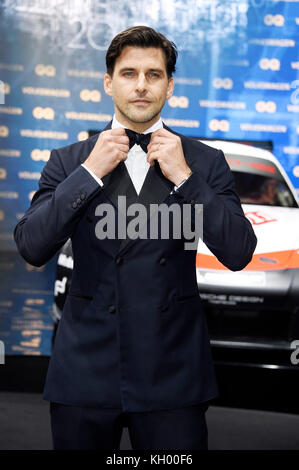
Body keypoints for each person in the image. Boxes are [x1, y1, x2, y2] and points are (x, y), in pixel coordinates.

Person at [14, 26, 257, 450]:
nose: (141, 85)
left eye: (153, 74)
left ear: (170, 86)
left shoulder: (204, 161)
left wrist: (185, 177)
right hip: (85, 370)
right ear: (108, 83)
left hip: (173, 373)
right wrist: (89, 173)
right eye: (128, 73)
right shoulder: (70, 161)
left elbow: (238, 252)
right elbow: (32, 245)